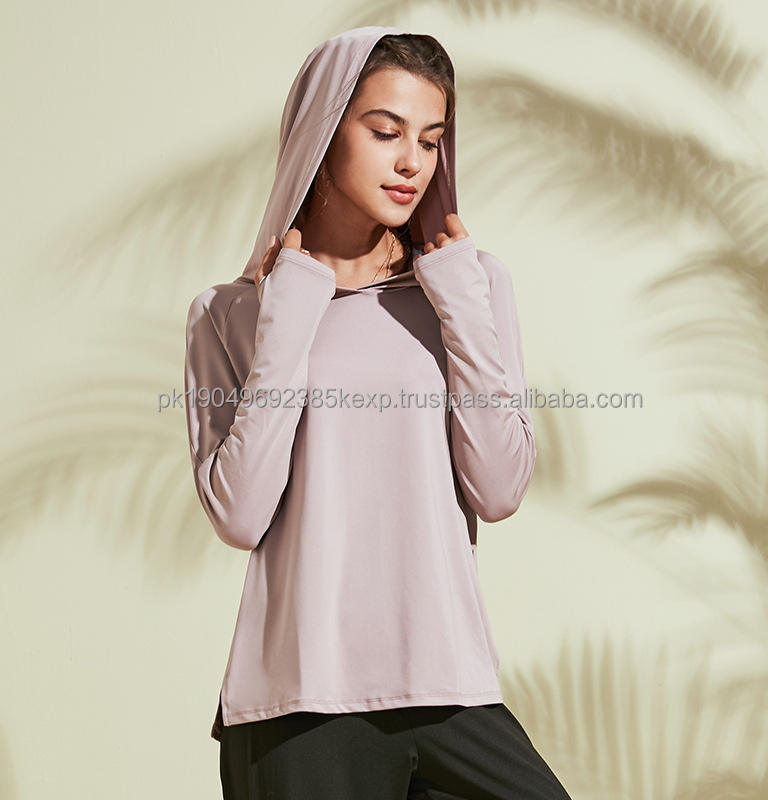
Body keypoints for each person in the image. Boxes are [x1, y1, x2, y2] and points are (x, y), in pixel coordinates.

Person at [184, 24, 573, 800]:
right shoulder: (228, 314)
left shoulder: (469, 285)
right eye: (385, 131)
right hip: (298, 704)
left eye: (430, 140)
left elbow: (498, 489)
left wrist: (458, 300)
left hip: (449, 683)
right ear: (323, 132)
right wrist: (290, 312)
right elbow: (240, 515)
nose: (412, 163)